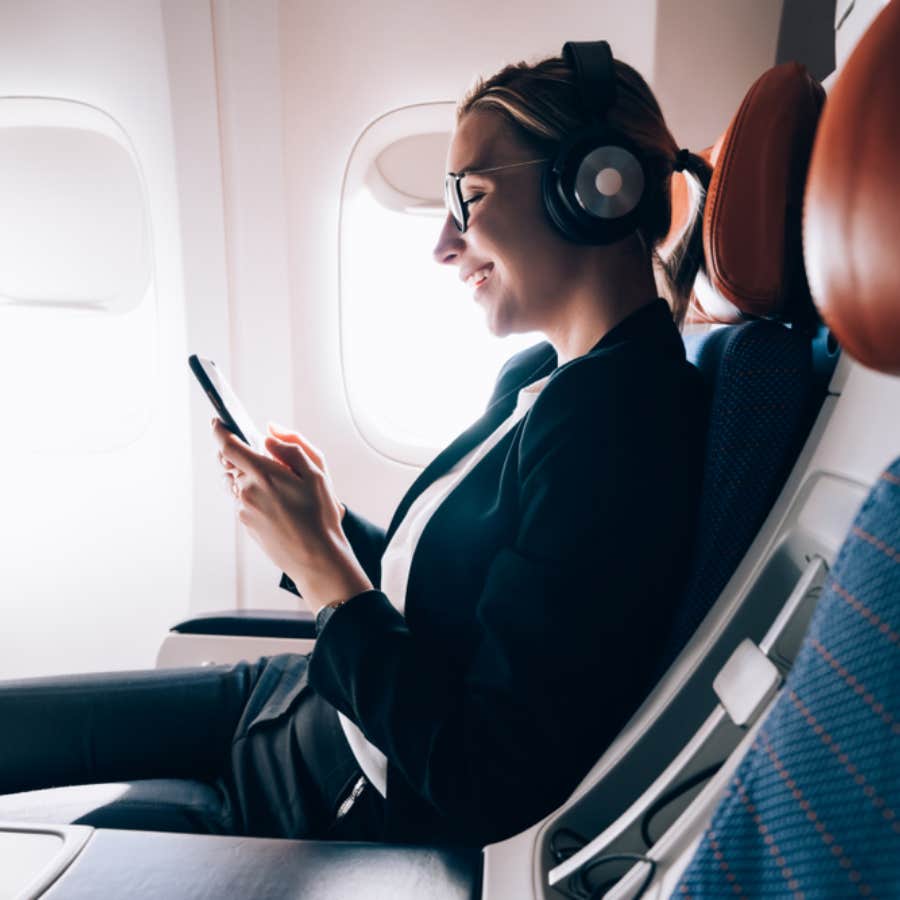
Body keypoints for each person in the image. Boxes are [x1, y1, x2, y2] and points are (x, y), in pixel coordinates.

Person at [0, 42, 709, 849]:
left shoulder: (619, 433)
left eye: (469, 197)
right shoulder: (543, 377)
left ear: (594, 188)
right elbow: (450, 600)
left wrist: (321, 568)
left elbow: (488, 773)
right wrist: (321, 519)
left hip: (332, 793)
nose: (444, 244)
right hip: (295, 704)